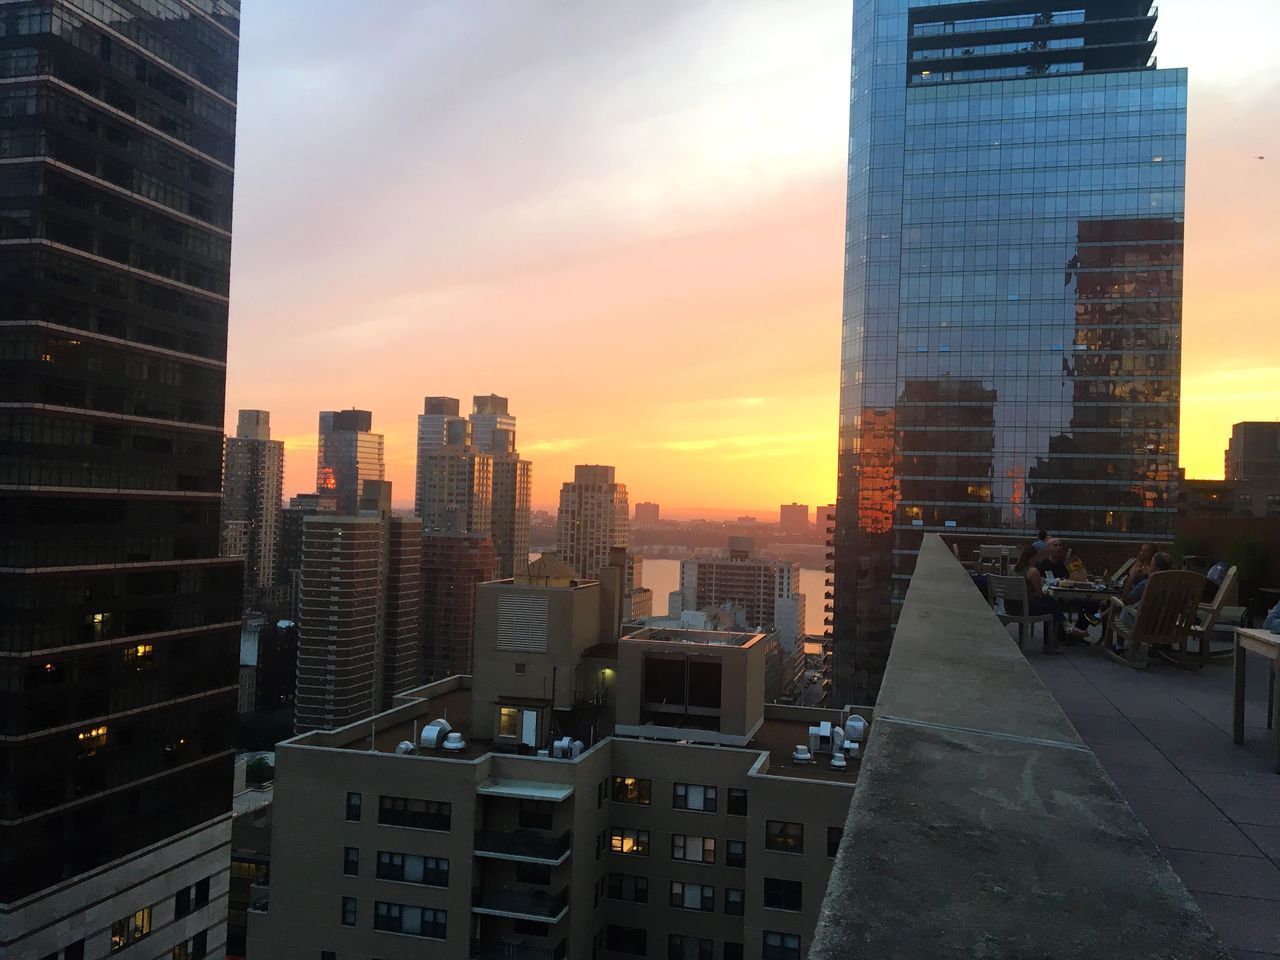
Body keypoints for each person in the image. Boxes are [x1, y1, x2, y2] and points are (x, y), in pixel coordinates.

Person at [1011, 543, 1089, 651]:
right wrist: (1045, 590)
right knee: (1052, 607)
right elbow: (1040, 594)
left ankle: (1068, 628)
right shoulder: (1033, 571)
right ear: (1033, 557)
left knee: (1051, 603)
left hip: (1011, 607)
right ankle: (1051, 643)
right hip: (1026, 608)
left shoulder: (1013, 569)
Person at [1107, 552, 1173, 649]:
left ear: (1154, 566)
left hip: (1143, 627)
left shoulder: (1147, 583)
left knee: (1126, 607)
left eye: (1152, 562)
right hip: (1165, 626)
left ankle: (1118, 646)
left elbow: (1126, 600)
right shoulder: (1175, 585)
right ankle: (1157, 647)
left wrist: (1132, 577)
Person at [1037, 538, 1100, 628]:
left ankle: (1079, 633)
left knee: (1093, 603)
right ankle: (1069, 634)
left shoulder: (1064, 565)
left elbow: (1071, 580)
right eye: (1055, 545)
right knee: (1074, 605)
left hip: (1069, 596)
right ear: (1048, 549)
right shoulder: (1043, 565)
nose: (1059, 547)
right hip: (1053, 598)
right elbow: (1041, 585)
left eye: (1060, 545)